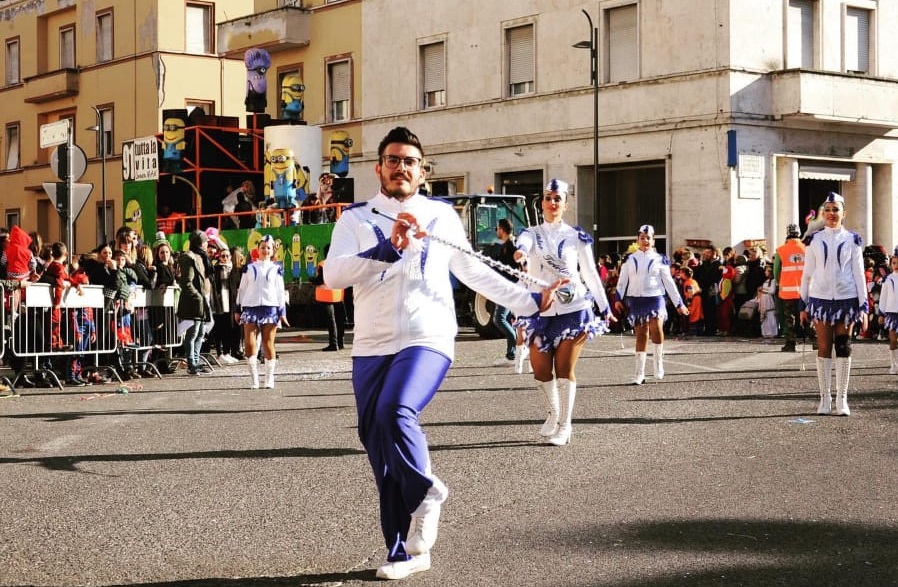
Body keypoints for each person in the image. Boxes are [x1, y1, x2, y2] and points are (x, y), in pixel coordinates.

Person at [323, 127, 564, 581]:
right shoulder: (355, 219)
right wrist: (386, 248)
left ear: (422, 171)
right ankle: (403, 553)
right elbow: (334, 275)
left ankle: (427, 492)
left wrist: (529, 301)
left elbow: (475, 271)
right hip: (371, 345)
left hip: (427, 337)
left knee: (396, 411)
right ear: (379, 168)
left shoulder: (440, 216)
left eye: (410, 161)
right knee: (378, 445)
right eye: (393, 160)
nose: (401, 167)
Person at [514, 178, 610, 447]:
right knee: (541, 370)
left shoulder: (576, 237)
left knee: (564, 368)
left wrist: (604, 305)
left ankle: (565, 426)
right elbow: (522, 246)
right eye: (548, 198)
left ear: (566, 204)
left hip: (574, 309)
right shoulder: (531, 233)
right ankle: (554, 412)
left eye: (558, 199)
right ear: (542, 203)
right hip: (540, 311)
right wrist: (520, 252)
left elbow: (590, 273)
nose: (552, 202)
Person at [799, 192, 868, 417]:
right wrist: (803, 303)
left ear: (843, 213)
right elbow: (807, 273)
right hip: (820, 300)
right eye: (827, 210)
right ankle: (825, 398)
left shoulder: (853, 240)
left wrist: (864, 306)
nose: (831, 214)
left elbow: (859, 274)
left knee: (843, 346)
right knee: (823, 347)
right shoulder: (814, 240)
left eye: (835, 209)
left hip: (847, 300)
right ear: (823, 214)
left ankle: (842, 399)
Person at [614, 225, 688, 384]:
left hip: (655, 298)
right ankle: (639, 373)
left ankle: (658, 364)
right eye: (642, 238)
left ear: (653, 241)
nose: (645, 240)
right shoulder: (629, 259)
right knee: (641, 334)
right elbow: (622, 281)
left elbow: (669, 283)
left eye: (648, 238)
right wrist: (618, 299)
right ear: (637, 240)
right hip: (636, 300)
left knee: (656, 328)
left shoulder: (660, 259)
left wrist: (679, 304)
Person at [235, 235, 288, 389]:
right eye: (263, 247)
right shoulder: (249, 268)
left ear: (272, 251)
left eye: (268, 248)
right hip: (250, 308)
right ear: (257, 250)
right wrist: (237, 309)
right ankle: (254, 379)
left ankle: (269, 378)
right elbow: (242, 289)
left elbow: (280, 291)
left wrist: (282, 312)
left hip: (270, 308)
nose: (265, 250)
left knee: (268, 343)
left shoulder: (276, 269)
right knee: (249, 343)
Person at [177, 230, 214, 376]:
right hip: (194, 302)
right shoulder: (189, 257)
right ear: (199, 242)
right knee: (193, 333)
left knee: (201, 333)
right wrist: (198, 297)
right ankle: (191, 363)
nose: (207, 244)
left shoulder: (203, 257)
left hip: (203, 299)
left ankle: (196, 361)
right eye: (205, 241)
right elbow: (186, 282)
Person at [774, 223, 806, 352]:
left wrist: (780, 282)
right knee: (807, 315)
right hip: (805, 290)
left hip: (787, 290)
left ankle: (790, 343)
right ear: (799, 233)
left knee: (789, 317)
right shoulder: (807, 248)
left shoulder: (781, 250)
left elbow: (776, 270)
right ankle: (815, 340)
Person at [491, 218, 519, 365]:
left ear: (502, 229)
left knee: (499, 319)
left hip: (509, 289)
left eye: (497, 228)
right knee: (505, 319)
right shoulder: (506, 245)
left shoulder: (512, 246)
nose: (496, 231)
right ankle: (511, 355)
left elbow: (514, 270)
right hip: (506, 287)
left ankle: (515, 350)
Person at [313, 244, 346, 351]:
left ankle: (333, 343)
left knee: (331, 320)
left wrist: (312, 280)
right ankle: (341, 342)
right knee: (340, 319)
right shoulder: (341, 264)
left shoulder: (323, 264)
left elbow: (320, 280)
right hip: (338, 294)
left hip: (326, 295)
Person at [876, 249, 898, 375]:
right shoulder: (888, 279)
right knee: (893, 340)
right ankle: (894, 365)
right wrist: (881, 313)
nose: (896, 265)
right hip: (891, 314)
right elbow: (883, 297)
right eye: (894, 263)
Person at [695, 246, 721, 336]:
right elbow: (699, 273)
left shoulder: (718, 264)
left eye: (708, 253)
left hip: (712, 289)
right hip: (704, 289)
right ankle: (707, 328)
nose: (706, 255)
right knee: (706, 309)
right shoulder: (705, 263)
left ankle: (712, 329)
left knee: (711, 310)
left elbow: (713, 277)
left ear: (714, 253)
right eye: (705, 253)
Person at [758, 265, 778, 338]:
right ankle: (765, 332)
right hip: (763, 299)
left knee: (770, 314)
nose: (765, 272)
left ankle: (772, 332)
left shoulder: (773, 281)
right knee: (764, 316)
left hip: (769, 299)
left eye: (766, 271)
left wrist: (764, 291)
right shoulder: (766, 281)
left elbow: (772, 291)